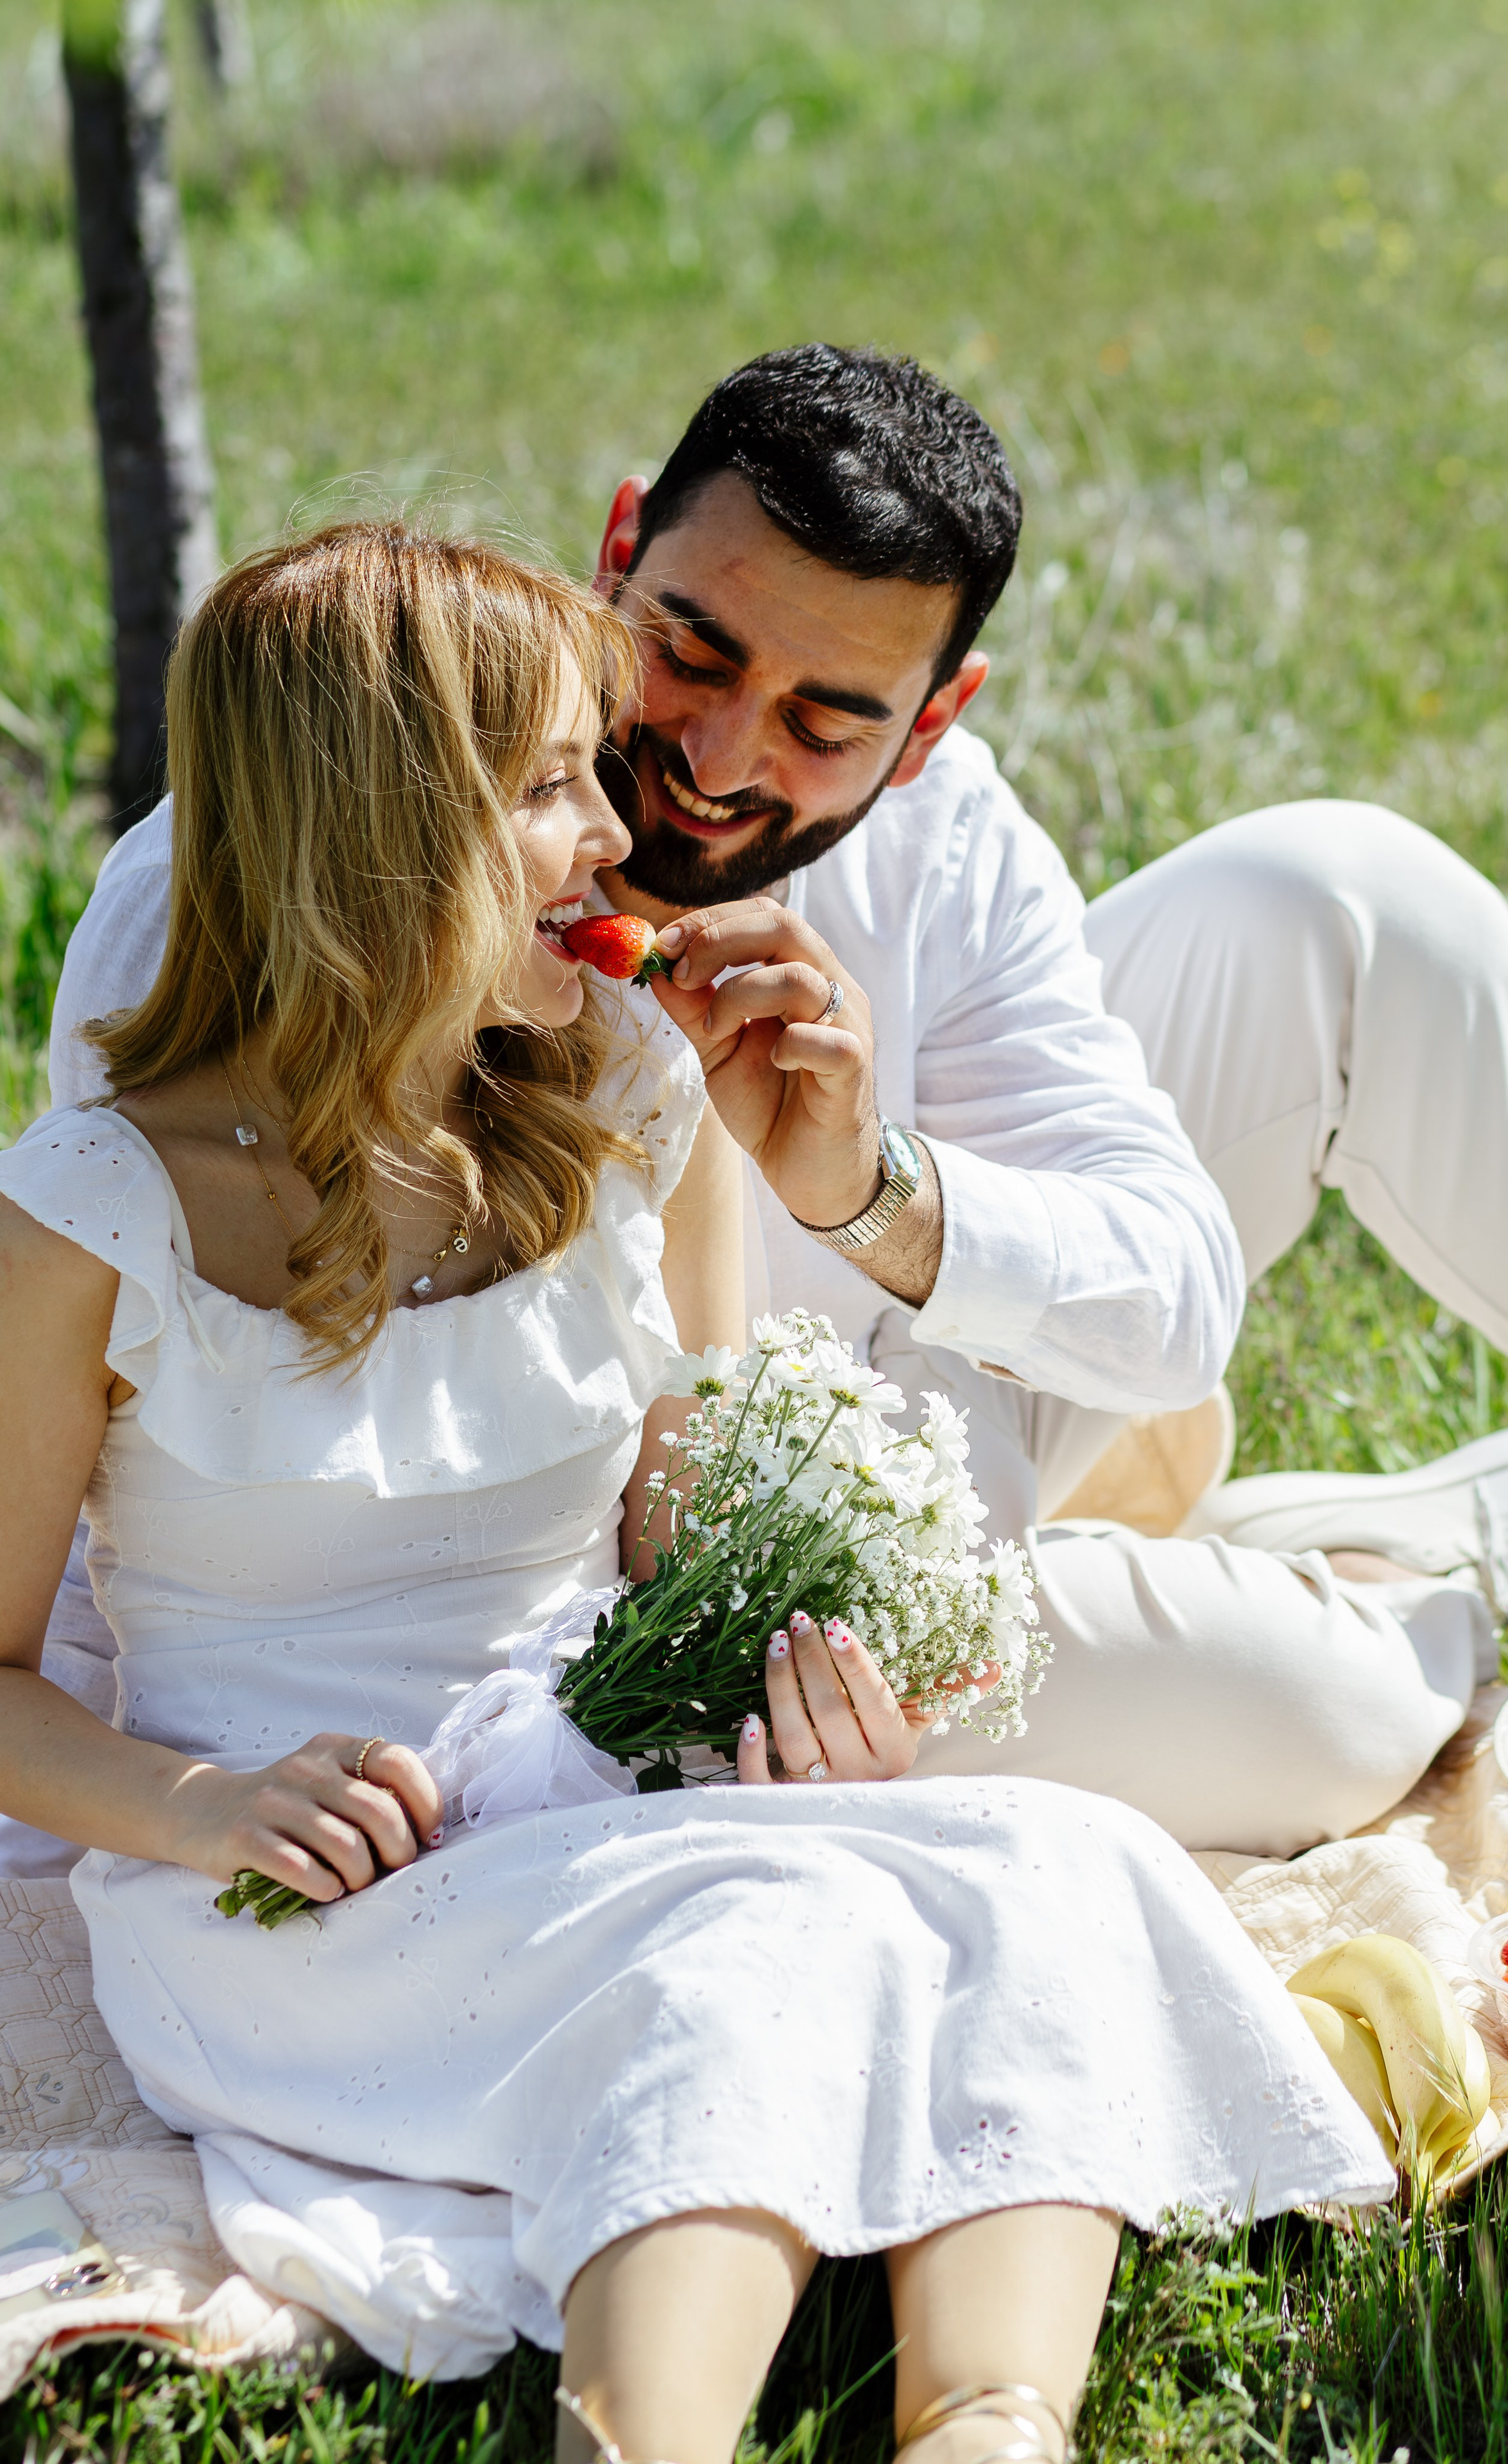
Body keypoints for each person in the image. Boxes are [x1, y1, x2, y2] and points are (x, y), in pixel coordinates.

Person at [0, 523, 1390, 2461]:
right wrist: (213, 1801)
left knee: (1053, 1859)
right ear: (387, 834)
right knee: (734, 1956)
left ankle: (992, 2429)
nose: (613, 837)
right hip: (306, 1892)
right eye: (555, 787)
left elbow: (684, 1538)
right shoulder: (94, 1207)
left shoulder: (634, 1110)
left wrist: (770, 1690)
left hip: (588, 1787)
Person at [42, 347, 1508, 1859]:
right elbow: (146, 1414)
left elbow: (1171, 1312)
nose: (713, 765)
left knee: (1342, 898)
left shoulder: (947, 838)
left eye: (827, 721)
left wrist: (865, 1189)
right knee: (1330, 1709)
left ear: (931, 724)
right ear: (617, 554)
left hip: (876, 1430)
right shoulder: (273, 885)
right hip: (622, 1624)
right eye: (691, 653)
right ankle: (1420, 1559)